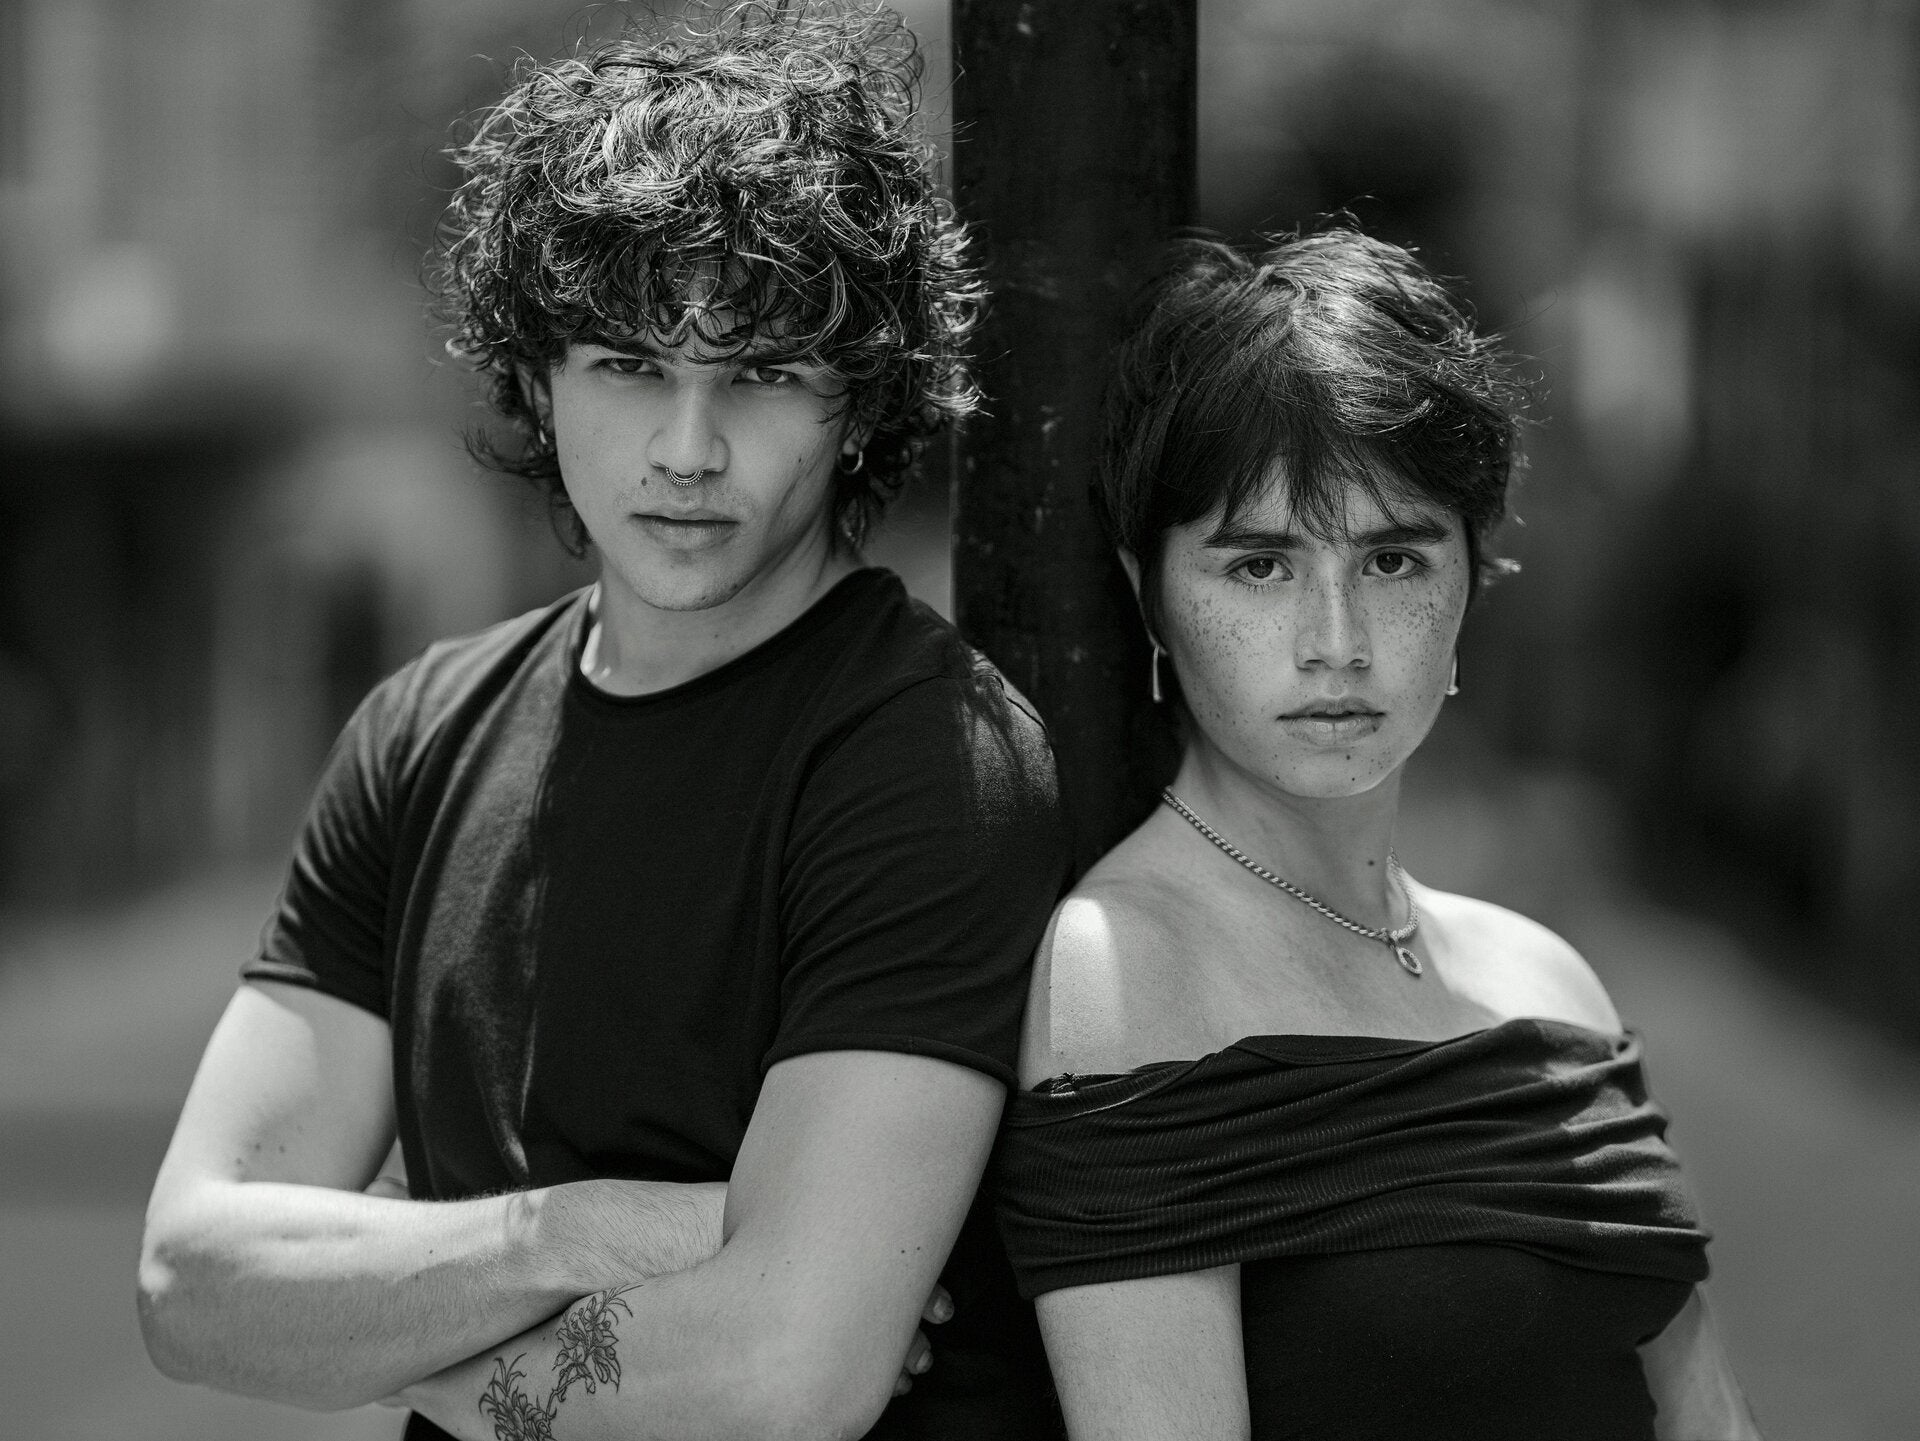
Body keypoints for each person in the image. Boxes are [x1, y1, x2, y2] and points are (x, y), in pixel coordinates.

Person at [137, 6, 1068, 1439]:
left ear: (857, 407)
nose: (689, 451)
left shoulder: (932, 755)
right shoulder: (419, 733)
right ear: (538, 377)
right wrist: (570, 1233)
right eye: (630, 365)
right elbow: (190, 1282)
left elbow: (784, 1374)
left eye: (763, 375)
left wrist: (396, 1348)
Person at [993, 230, 1762, 1441]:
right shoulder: (1125, 969)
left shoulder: (1548, 977)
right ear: (1150, 591)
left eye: (1393, 558)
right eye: (1260, 566)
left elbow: (1707, 1417)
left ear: (1472, 577)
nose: (1336, 642)